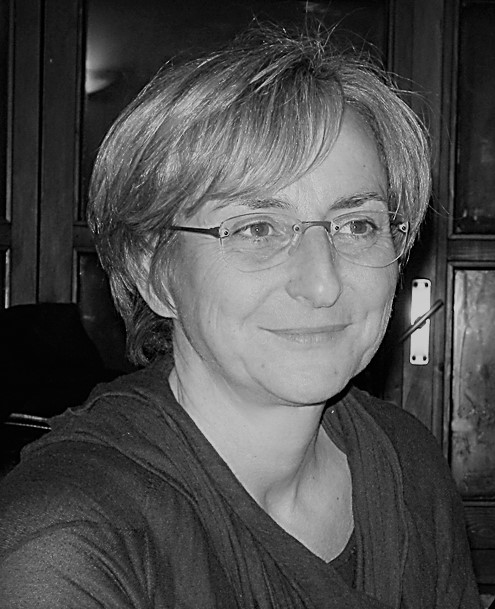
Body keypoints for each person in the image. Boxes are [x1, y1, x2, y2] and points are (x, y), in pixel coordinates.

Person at [0, 24, 481, 609]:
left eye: (358, 225)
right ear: (154, 272)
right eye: (256, 229)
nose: (323, 283)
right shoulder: (66, 538)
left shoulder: (407, 461)